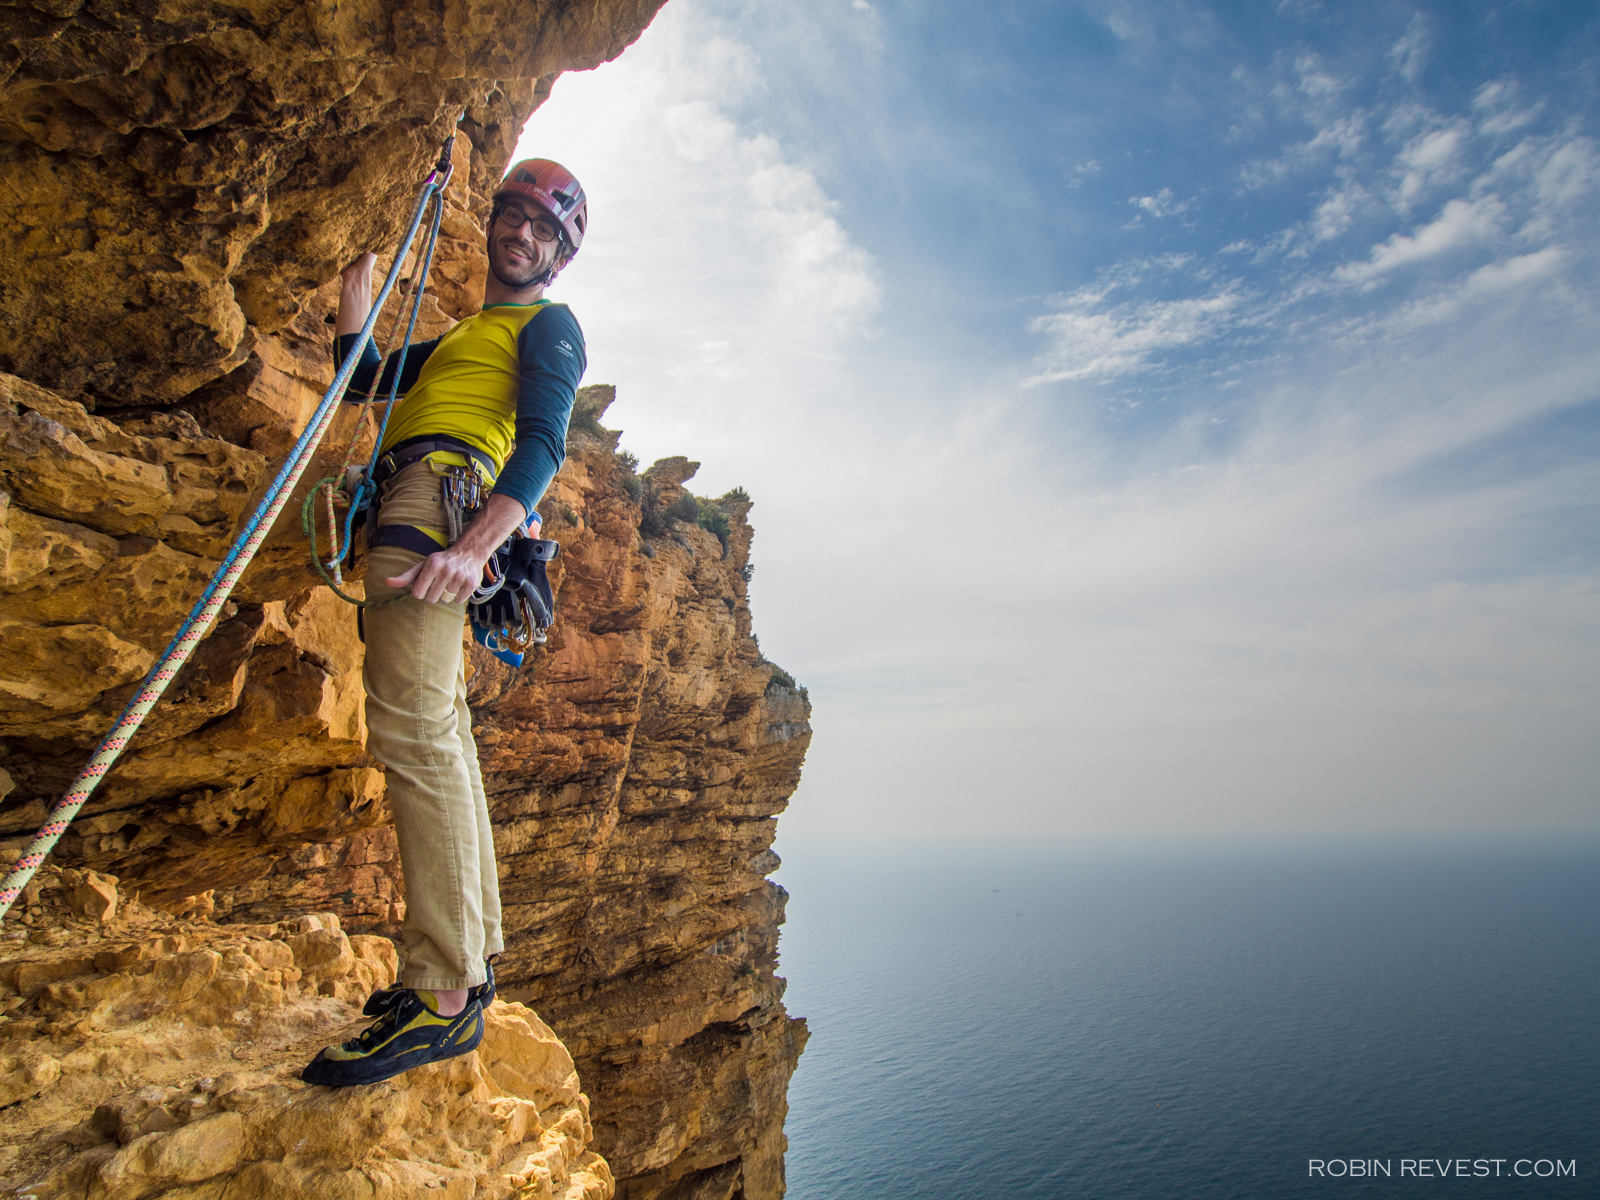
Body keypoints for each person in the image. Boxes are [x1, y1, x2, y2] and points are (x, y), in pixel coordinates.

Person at [301, 159, 588, 1088]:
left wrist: (476, 543)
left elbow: (545, 437)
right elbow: (368, 379)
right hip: (421, 496)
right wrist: (358, 288)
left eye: (544, 231)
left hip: (439, 504)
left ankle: (443, 995)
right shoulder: (473, 330)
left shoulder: (551, 326)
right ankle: (468, 966)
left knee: (416, 734)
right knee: (442, 738)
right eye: (514, 217)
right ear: (494, 222)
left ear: (559, 255)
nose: (522, 236)